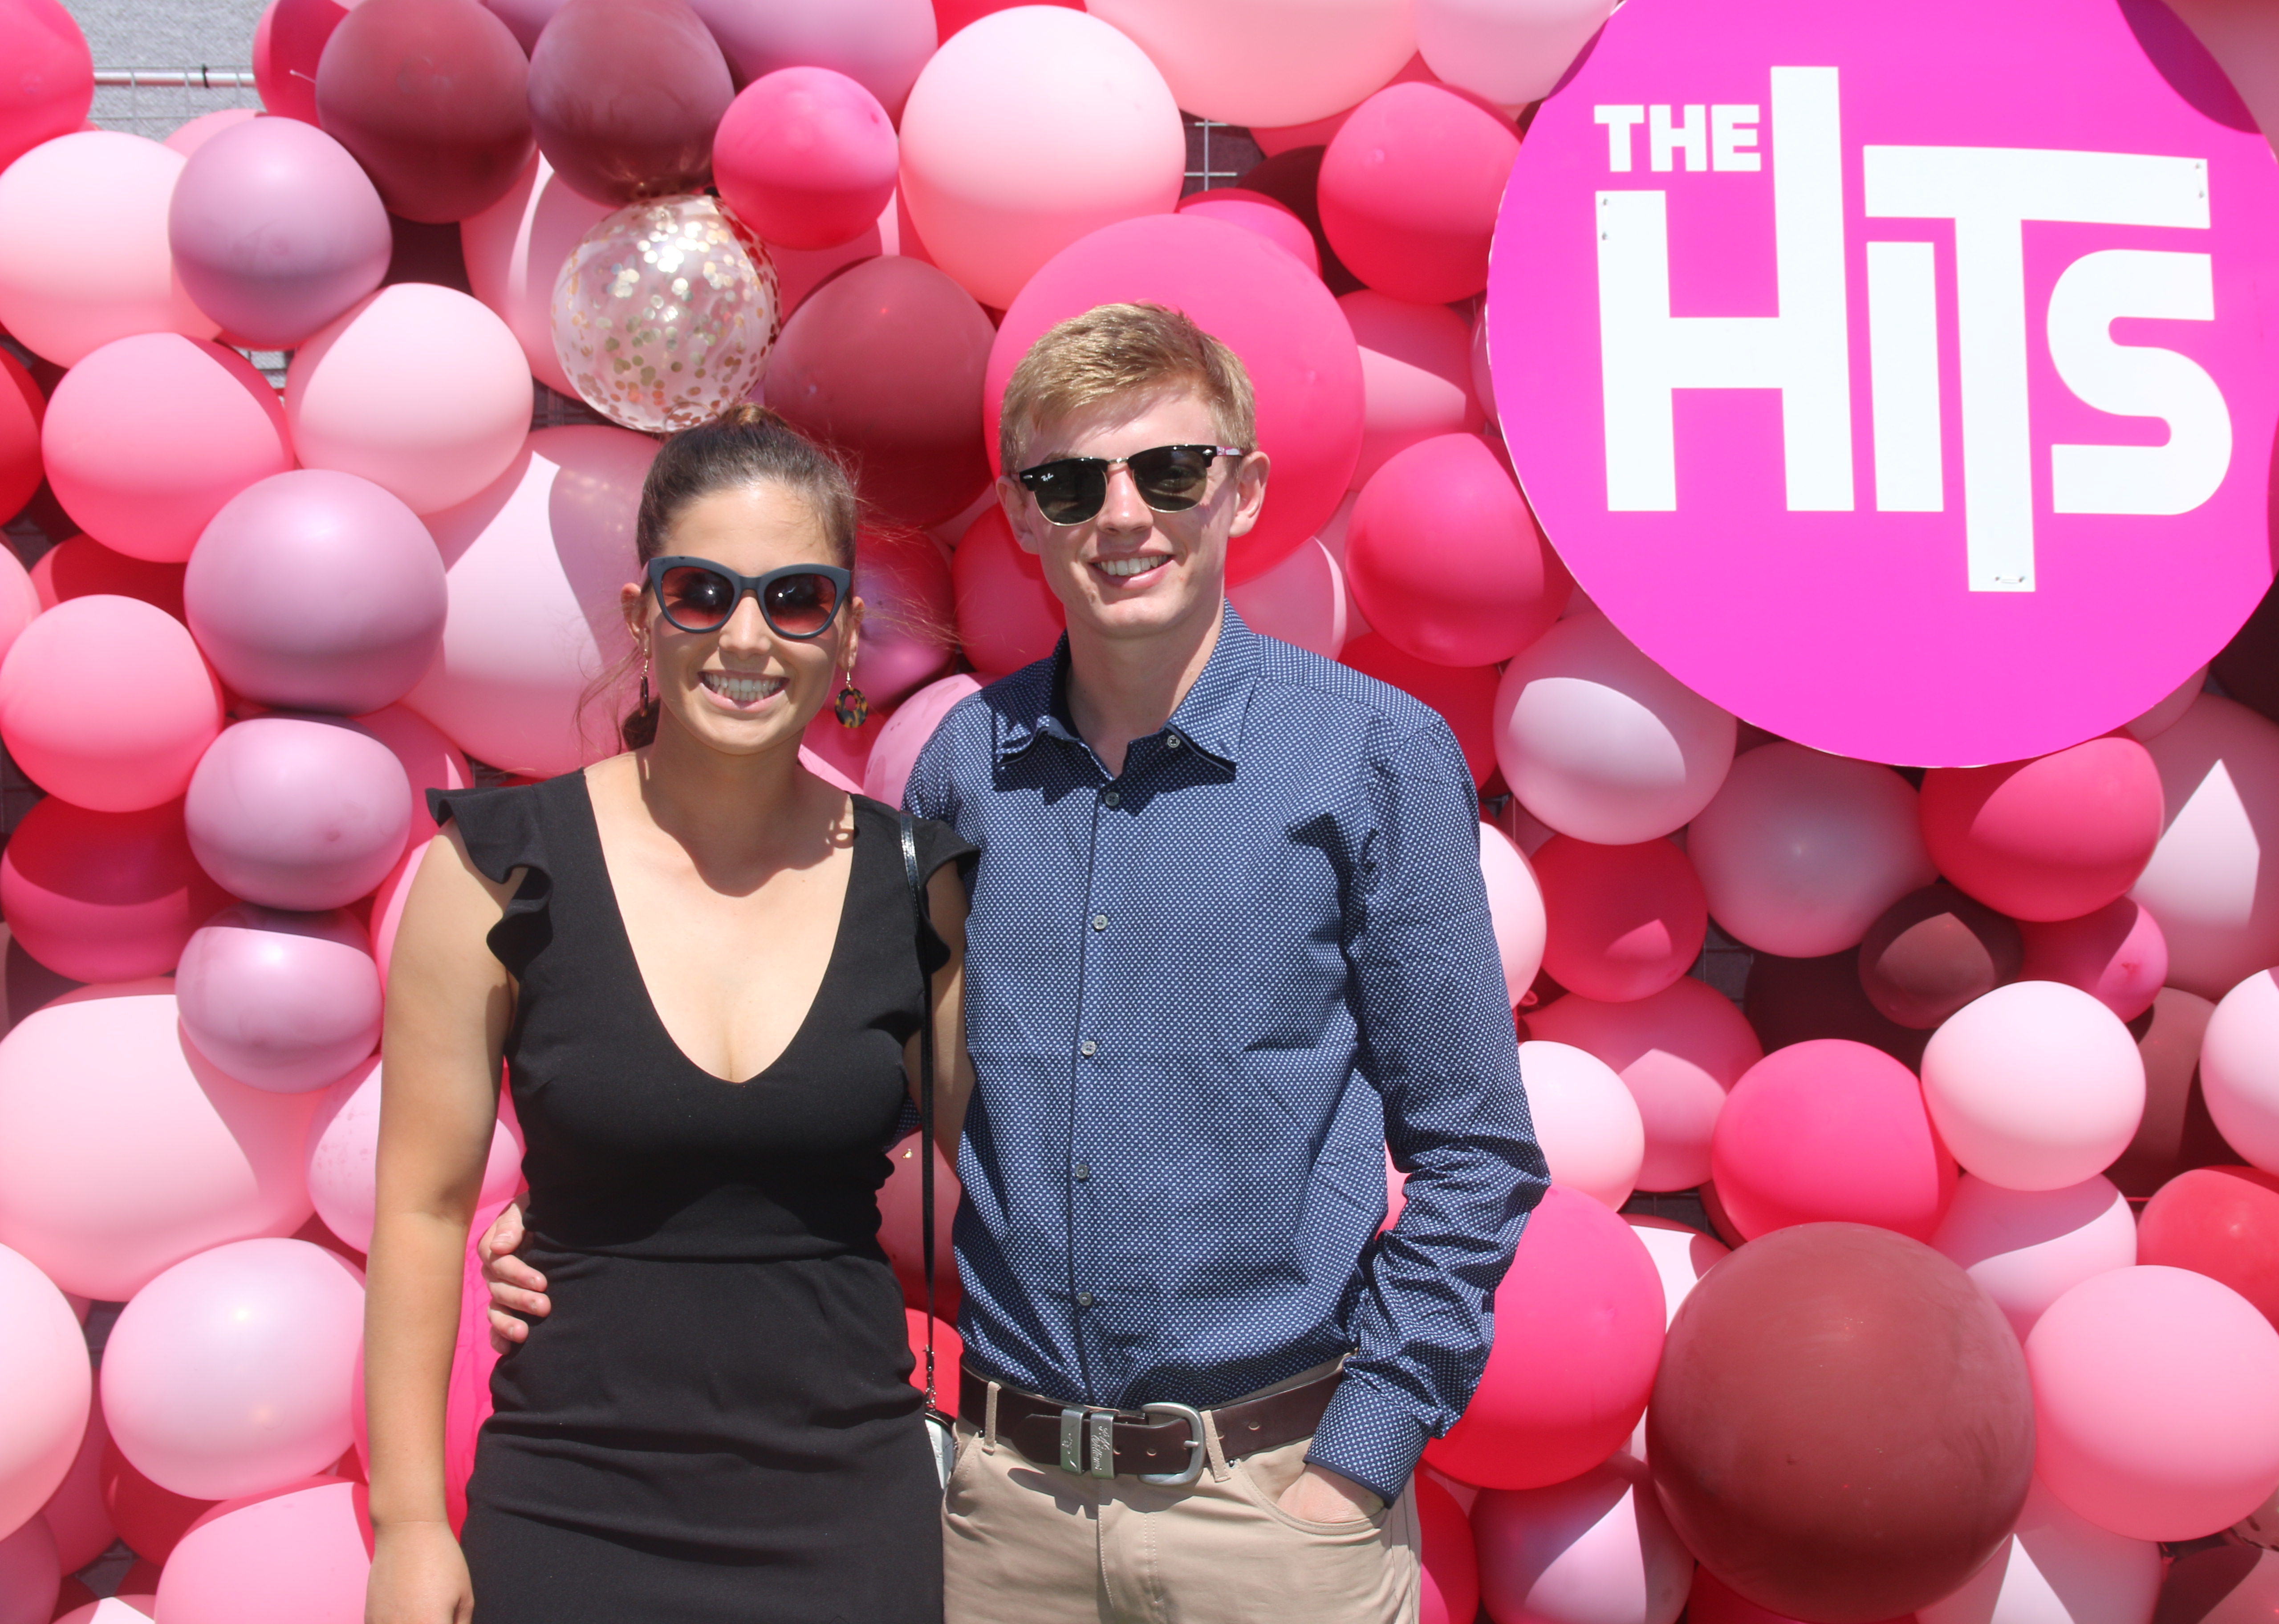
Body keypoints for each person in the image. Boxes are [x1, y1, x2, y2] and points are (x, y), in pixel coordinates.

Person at [483, 304, 1547, 1623]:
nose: (1124, 516)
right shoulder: (962, 769)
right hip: (1005, 1524)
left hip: (1272, 1514)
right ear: (1026, 520)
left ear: (1245, 491)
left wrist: (1359, 1457)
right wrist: (608, 1207)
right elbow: (857, 1079)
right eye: (1070, 483)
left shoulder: (1372, 754)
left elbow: (1476, 1153)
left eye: (1170, 471)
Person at [366, 406, 972, 1624]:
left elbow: (1022, 1188)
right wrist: (411, 1527)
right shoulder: (495, 871)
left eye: (797, 599)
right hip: (569, 1510)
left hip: (851, 1519)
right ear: (643, 618)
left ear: (848, 633)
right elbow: (423, 1213)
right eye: (703, 592)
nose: (746, 637)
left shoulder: (919, 883)